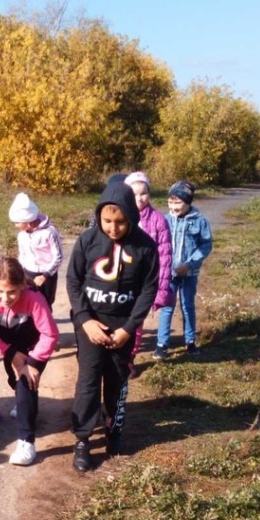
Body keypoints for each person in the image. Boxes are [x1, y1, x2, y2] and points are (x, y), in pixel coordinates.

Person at [67, 182, 159, 472]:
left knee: (117, 380)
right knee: (89, 380)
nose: (113, 228)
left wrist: (128, 329)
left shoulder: (146, 247)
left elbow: (148, 290)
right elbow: (73, 281)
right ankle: (82, 439)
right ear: (99, 216)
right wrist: (85, 320)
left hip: (122, 327)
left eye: (120, 222)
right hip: (90, 323)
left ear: (131, 216)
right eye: (107, 221)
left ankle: (114, 429)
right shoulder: (87, 240)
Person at [0, 257, 59, 466]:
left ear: (22, 285)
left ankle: (26, 442)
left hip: (35, 348)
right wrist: (10, 353)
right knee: (16, 384)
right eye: (0, 291)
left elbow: (50, 334)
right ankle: (26, 405)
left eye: (12, 292)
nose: (5, 298)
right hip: (11, 348)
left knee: (26, 383)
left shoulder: (34, 298)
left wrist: (33, 362)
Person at [154, 181, 213, 359]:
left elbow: (205, 245)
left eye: (178, 202)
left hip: (189, 273)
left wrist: (189, 264)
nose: (173, 206)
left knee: (188, 306)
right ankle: (162, 344)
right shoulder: (164, 220)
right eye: (170, 202)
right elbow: (158, 245)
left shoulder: (199, 220)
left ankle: (190, 341)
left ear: (188, 201)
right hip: (169, 274)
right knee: (167, 307)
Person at [123, 172, 172, 375]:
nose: (139, 198)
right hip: (122, 279)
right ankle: (114, 356)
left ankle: (129, 358)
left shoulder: (158, 220)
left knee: (136, 322)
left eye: (143, 193)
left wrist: (161, 290)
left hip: (144, 282)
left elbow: (165, 256)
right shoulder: (120, 217)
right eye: (134, 194)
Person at [8, 192, 64, 308]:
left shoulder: (49, 232)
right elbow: (22, 255)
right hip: (28, 274)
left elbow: (58, 257)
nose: (15, 226)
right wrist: (21, 272)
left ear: (28, 222)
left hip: (47, 275)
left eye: (17, 223)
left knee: (46, 304)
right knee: (29, 304)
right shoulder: (21, 235)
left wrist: (45, 276)